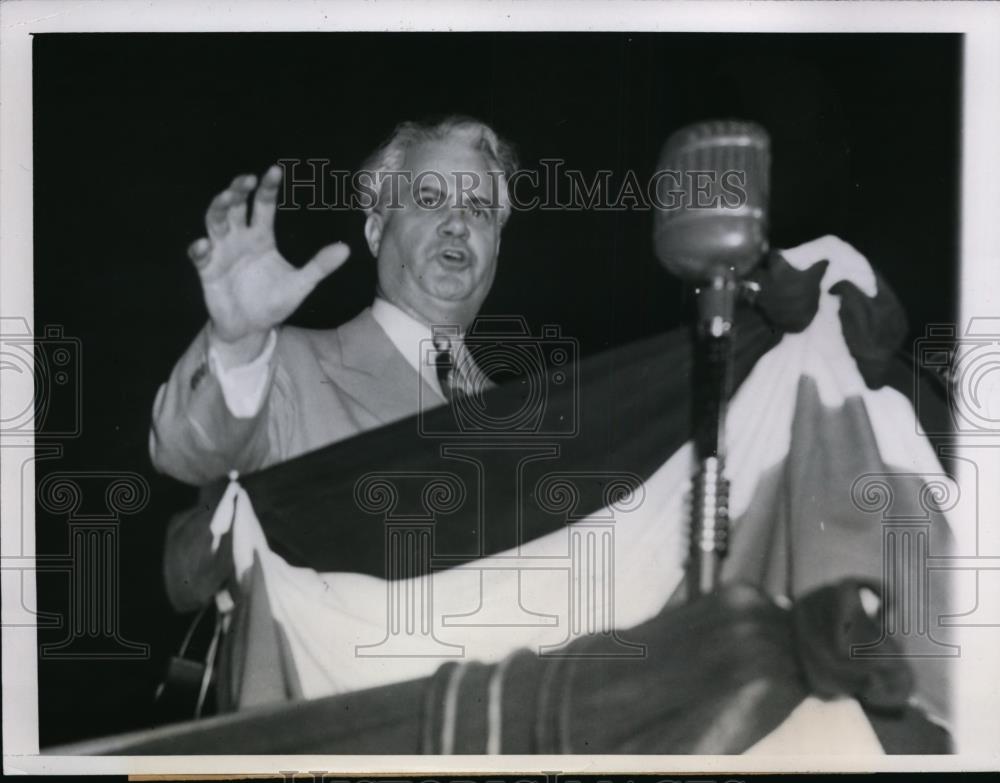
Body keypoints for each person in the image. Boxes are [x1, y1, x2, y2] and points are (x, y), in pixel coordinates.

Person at [150, 116, 517, 486]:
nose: (457, 223)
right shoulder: (287, 365)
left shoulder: (529, 419)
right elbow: (190, 451)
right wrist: (236, 344)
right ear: (376, 233)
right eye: (429, 199)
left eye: (478, 210)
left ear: (497, 247)